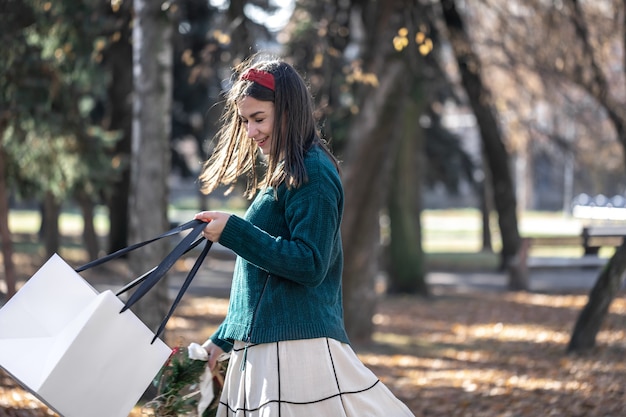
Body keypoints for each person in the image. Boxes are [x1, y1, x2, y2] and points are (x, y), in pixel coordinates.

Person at [193, 55, 415, 417]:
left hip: (296, 355)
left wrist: (233, 231)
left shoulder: (312, 171)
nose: (250, 132)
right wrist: (221, 341)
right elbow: (263, 285)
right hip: (264, 349)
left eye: (259, 118)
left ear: (288, 111)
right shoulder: (284, 172)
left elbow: (310, 263)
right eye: (245, 121)